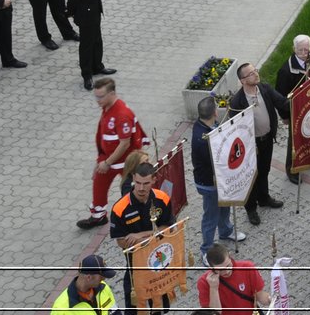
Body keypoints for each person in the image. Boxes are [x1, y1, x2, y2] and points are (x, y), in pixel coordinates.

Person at [108, 161, 175, 313]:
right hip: (135, 269)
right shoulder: (120, 208)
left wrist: (141, 236)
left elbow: (168, 228)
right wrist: (154, 235)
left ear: (154, 180)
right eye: (137, 182)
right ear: (133, 178)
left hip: (159, 265)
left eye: (145, 183)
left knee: (159, 308)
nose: (141, 188)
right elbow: (121, 242)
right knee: (134, 310)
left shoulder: (162, 199)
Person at [228, 61, 289, 226]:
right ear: (242, 81)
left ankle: (264, 198)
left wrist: (300, 101)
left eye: (255, 70)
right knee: (251, 177)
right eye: (251, 73)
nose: (256, 74)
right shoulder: (237, 102)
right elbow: (236, 130)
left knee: (264, 170)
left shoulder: (265, 88)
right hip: (251, 146)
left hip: (267, 139)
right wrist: (247, 146)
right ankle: (251, 208)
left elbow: (282, 102)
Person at [191, 96, 245, 249]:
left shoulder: (204, 125)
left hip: (218, 179)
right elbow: (217, 160)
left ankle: (225, 231)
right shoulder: (203, 139)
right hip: (209, 183)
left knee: (225, 205)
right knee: (211, 216)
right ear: (215, 112)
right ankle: (206, 249)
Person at [49, 254, 118, 315]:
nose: (104, 278)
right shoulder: (61, 309)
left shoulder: (103, 287)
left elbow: (115, 312)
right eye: (101, 276)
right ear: (89, 277)